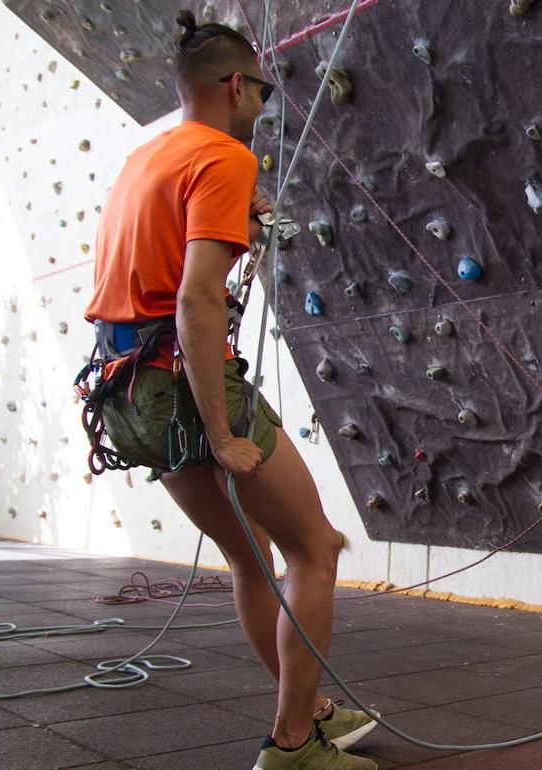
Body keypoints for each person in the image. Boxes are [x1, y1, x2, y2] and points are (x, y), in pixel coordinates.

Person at [82, 12, 376, 769]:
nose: (263, 109)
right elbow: (196, 300)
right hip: (183, 385)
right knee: (314, 549)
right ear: (236, 85)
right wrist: (220, 432)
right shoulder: (222, 157)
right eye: (263, 93)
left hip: (123, 394)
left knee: (251, 561)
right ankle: (292, 746)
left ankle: (307, 708)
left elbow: (154, 266)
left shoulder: (148, 159)